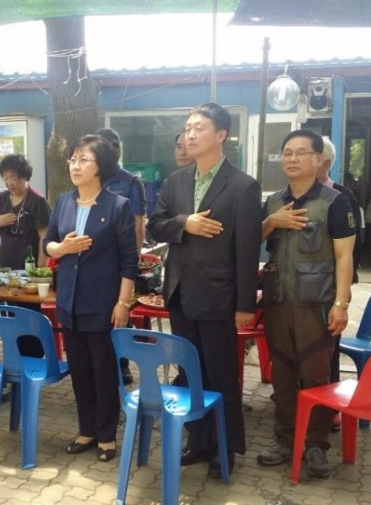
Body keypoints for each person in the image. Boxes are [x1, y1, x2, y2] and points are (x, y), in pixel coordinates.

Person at [147, 103, 262, 479]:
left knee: (220, 374)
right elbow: (155, 226)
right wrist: (186, 223)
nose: (190, 134)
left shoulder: (243, 186)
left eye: (199, 127)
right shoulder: (175, 182)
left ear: (221, 135)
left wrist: (245, 305)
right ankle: (197, 441)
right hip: (180, 293)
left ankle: (225, 448)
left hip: (219, 296)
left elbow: (247, 250)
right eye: (188, 128)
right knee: (189, 372)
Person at [257, 129, 356, 479]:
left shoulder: (336, 202)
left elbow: (344, 257)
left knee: (316, 375)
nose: (292, 158)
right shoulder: (272, 202)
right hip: (278, 301)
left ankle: (316, 444)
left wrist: (341, 303)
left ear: (318, 160)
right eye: (287, 152)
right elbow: (252, 238)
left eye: (301, 152)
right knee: (282, 374)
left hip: (316, 304)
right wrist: (272, 222)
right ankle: (284, 440)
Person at [45, 134, 138, 463]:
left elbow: (129, 260)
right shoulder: (64, 202)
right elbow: (48, 244)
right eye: (73, 159)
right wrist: (61, 248)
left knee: (104, 371)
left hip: (102, 303)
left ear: (101, 166)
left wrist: (122, 303)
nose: (75, 165)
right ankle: (86, 430)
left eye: (84, 159)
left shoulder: (117, 206)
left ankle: (106, 435)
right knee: (80, 370)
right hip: (69, 302)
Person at [95, 127, 146, 386]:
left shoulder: (130, 181)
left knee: (120, 312)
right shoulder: (90, 177)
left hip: (119, 261)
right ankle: (100, 364)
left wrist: (133, 261)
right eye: (105, 145)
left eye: (114, 145)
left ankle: (122, 364)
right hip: (94, 259)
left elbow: (138, 223)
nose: (111, 150)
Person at [318, 136, 362, 415]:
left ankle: (329, 408)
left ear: (325, 163)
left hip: (331, 286)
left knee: (328, 348)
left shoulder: (342, 196)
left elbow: (354, 247)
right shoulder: (290, 195)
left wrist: (343, 293)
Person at [0, 154, 50, 269]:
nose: (9, 183)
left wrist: (41, 269)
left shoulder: (38, 201)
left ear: (25, 176)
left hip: (29, 265)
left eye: (13, 178)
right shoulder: (0, 198)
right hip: (5, 265)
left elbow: (44, 238)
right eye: (5, 178)